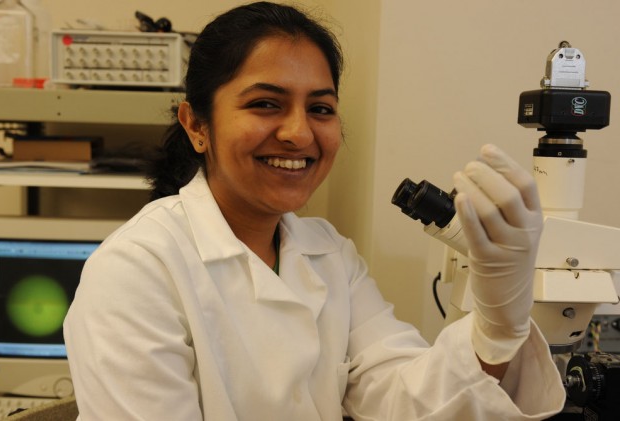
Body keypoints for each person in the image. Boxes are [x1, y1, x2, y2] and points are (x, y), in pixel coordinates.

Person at [63, 2, 565, 420]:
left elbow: (407, 399)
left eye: (321, 108)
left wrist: (499, 321)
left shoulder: (328, 253)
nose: (299, 134)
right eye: (265, 104)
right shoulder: (137, 271)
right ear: (197, 125)